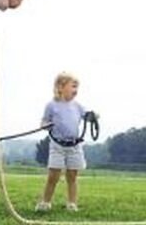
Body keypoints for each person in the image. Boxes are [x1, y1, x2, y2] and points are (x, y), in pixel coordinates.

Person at [35, 71, 93, 212]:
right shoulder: (52, 105)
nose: (76, 90)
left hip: (74, 146)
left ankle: (72, 203)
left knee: (72, 175)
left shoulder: (78, 106)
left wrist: (93, 116)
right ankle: (45, 202)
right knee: (53, 175)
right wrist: (44, 125)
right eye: (73, 86)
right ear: (60, 87)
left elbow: (87, 116)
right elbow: (44, 120)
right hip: (57, 146)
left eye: (77, 87)